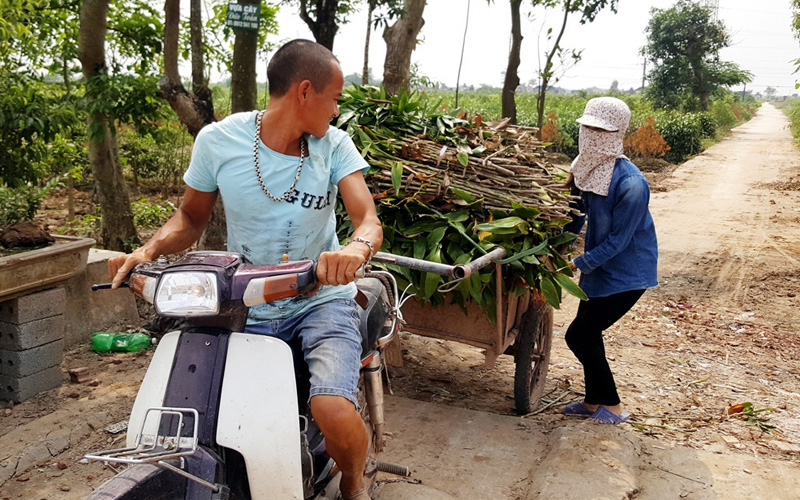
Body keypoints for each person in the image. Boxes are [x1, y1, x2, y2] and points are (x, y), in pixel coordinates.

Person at [108, 39, 382, 500]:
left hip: (321, 299)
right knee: (211, 401)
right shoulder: (219, 141)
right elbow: (190, 218)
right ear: (305, 91)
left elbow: (368, 220)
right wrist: (148, 251)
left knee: (332, 406)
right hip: (246, 300)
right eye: (334, 98)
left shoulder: (334, 145)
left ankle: (354, 477)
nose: (336, 110)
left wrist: (354, 249)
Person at [561, 96, 658, 425]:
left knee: (579, 335)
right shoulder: (585, 169)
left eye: (600, 130)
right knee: (588, 335)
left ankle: (613, 407)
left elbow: (619, 241)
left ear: (617, 135)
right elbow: (574, 215)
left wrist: (577, 262)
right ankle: (592, 403)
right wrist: (553, 245)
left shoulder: (632, 184)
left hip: (627, 274)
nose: (591, 135)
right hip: (598, 270)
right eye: (587, 127)